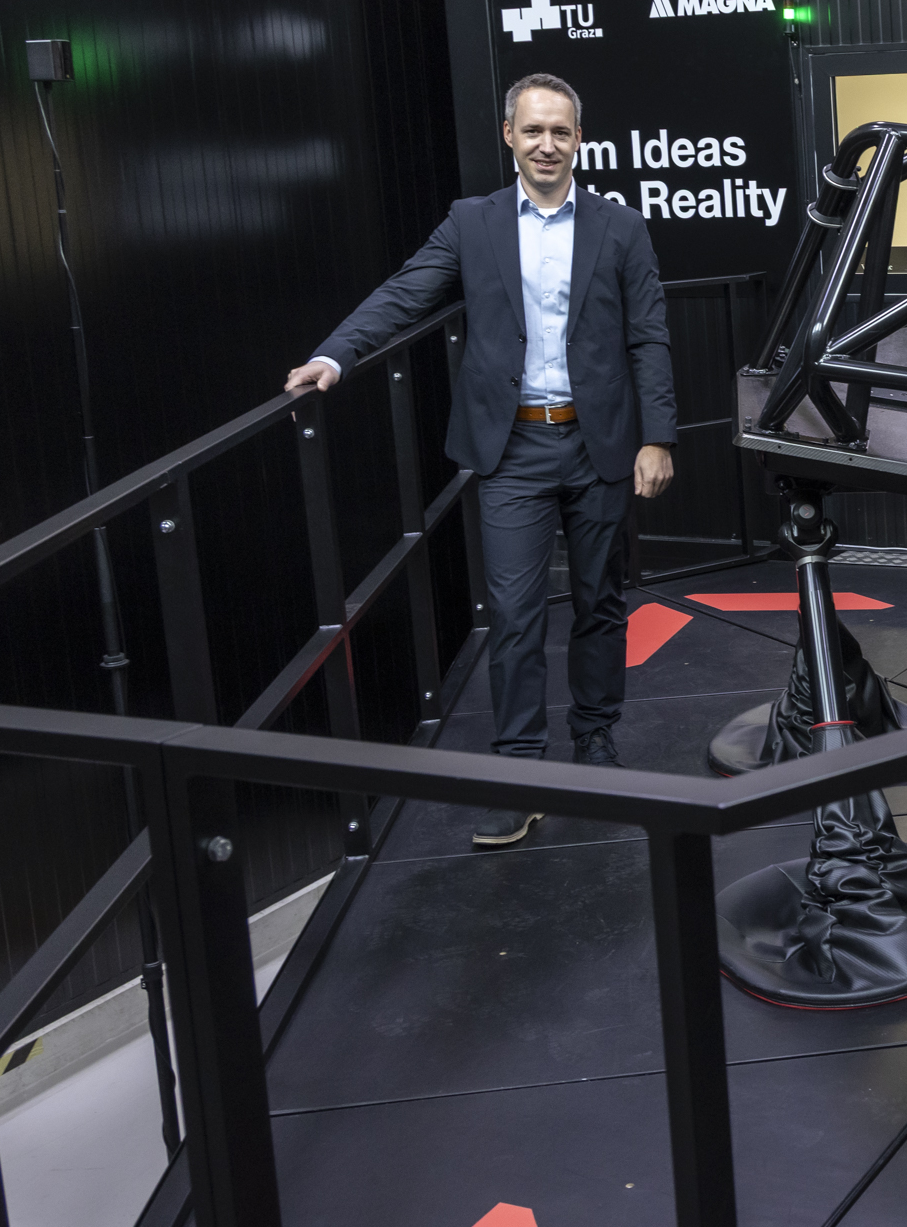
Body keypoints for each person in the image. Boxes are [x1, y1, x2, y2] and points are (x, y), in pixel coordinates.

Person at [289, 73, 676, 847]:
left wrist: (657, 437)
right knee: (514, 613)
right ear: (509, 136)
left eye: (560, 131)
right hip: (512, 448)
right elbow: (404, 293)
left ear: (579, 139)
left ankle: (595, 741)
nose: (546, 144)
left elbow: (648, 335)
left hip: (598, 443)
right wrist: (334, 355)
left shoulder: (620, 227)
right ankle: (521, 772)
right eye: (533, 130)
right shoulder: (471, 222)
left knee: (600, 604)